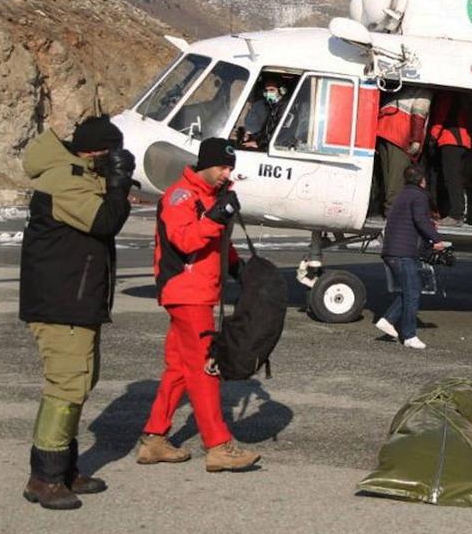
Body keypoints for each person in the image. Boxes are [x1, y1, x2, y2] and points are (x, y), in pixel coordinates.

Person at [19, 115, 135, 510]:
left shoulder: (77, 174)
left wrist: (113, 182)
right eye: (111, 153)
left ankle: (63, 469)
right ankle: (45, 477)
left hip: (75, 297)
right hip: (61, 300)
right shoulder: (63, 178)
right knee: (67, 385)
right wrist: (117, 183)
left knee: (80, 381)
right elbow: (105, 221)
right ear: (96, 151)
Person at [136, 138, 261, 472]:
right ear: (205, 164)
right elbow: (185, 239)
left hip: (198, 291)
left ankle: (154, 438)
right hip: (187, 292)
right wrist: (217, 216)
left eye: (230, 168)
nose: (226, 173)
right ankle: (218, 445)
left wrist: (239, 269)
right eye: (222, 166)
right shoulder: (181, 196)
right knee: (206, 367)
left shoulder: (210, 197)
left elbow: (216, 244)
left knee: (179, 367)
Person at [375, 165, 446, 349]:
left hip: (392, 250)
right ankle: (409, 336)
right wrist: (436, 239)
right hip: (403, 253)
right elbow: (420, 220)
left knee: (410, 289)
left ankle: (388, 319)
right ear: (422, 180)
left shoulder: (403, 195)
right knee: (413, 292)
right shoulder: (419, 196)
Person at [375, 86, 432, 216]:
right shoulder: (425, 90)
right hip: (399, 134)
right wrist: (416, 140)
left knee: (387, 175)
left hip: (384, 129)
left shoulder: (403, 90)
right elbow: (419, 112)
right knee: (398, 178)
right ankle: (393, 213)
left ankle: (385, 209)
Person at [427, 92, 472, 226]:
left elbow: (441, 116)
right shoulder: (462, 99)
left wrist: (433, 136)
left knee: (451, 179)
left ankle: (456, 215)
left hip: (451, 140)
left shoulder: (447, 96)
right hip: (462, 141)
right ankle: (454, 213)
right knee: (455, 179)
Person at [241, 76, 288, 149]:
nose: (269, 92)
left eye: (272, 90)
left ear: (282, 91)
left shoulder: (285, 107)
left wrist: (259, 143)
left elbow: (281, 132)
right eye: (267, 90)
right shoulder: (273, 107)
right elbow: (267, 129)